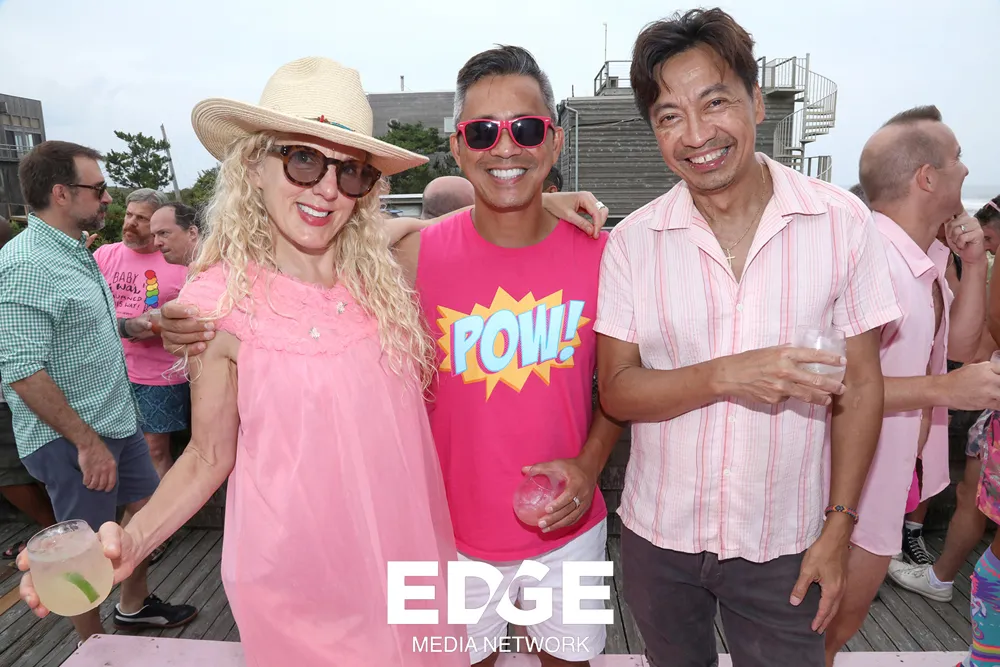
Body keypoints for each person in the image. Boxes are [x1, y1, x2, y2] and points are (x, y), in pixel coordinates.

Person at [19, 58, 469, 667]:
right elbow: (208, 455)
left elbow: (483, 225)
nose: (328, 189)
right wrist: (130, 542)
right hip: (298, 578)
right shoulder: (216, 302)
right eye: (303, 160)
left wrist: (556, 201)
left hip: (408, 553)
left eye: (351, 171)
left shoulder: (384, 276)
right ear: (254, 165)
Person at [594, 9, 902, 667]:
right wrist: (729, 373)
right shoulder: (632, 242)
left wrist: (839, 527)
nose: (696, 135)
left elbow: (862, 384)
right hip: (658, 536)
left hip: (787, 539)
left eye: (715, 103)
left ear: (757, 102)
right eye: (669, 116)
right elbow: (616, 390)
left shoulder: (841, 221)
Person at [392, 45, 621, 666]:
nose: (505, 147)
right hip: (443, 535)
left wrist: (590, 465)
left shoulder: (605, 256)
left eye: (525, 129)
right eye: (482, 132)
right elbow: (317, 243)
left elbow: (623, 386)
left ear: (554, 140)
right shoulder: (412, 257)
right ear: (458, 147)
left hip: (572, 531)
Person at [824, 105, 1000, 663]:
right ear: (927, 177)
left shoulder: (922, 258)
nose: (966, 170)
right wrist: (944, 392)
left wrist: (973, 263)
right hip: (847, 486)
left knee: (836, 626)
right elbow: (830, 384)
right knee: (827, 628)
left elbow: (960, 348)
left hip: (889, 472)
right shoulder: (870, 262)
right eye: (957, 159)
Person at [3, 141, 196, 642]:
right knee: (80, 549)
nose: (109, 198)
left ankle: (133, 606)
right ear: (62, 193)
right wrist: (87, 444)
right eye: (99, 188)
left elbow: (83, 331)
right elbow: (21, 370)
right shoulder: (27, 264)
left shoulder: (74, 252)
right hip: (73, 437)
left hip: (115, 420)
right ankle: (93, 645)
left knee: (146, 513)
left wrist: (134, 327)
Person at [887, 192, 1000, 602]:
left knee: (925, 466)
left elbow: (963, 339)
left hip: (950, 379)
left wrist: (973, 263)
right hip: (925, 385)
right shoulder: (887, 249)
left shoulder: (949, 256)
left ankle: (907, 537)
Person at [94, 189, 191, 487]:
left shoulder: (180, 262)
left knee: (155, 450)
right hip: (109, 369)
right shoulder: (104, 255)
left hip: (160, 375)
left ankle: (157, 513)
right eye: (129, 214)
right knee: (114, 447)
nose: (131, 223)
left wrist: (160, 324)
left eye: (142, 218)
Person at [0, 214, 56, 560]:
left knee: (11, 472)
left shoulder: (12, 274)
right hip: (25, 390)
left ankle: (55, 533)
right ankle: (56, 530)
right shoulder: (22, 268)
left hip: (14, 392)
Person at [150, 201, 203, 266]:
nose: (156, 243)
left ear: (192, 233)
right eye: (154, 236)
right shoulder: (200, 268)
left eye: (163, 233)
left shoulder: (212, 268)